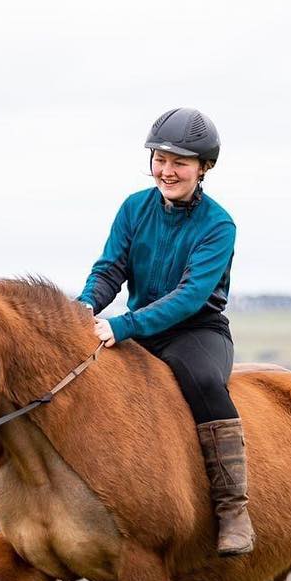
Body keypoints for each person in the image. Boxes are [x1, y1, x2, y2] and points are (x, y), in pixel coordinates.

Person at [78, 107, 254, 557]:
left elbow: (190, 296)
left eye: (180, 162)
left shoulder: (219, 225)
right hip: (139, 327)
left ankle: (232, 508)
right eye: (160, 159)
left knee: (204, 383)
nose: (167, 170)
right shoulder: (134, 208)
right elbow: (110, 269)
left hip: (196, 331)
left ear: (204, 167)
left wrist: (123, 325)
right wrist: (84, 307)